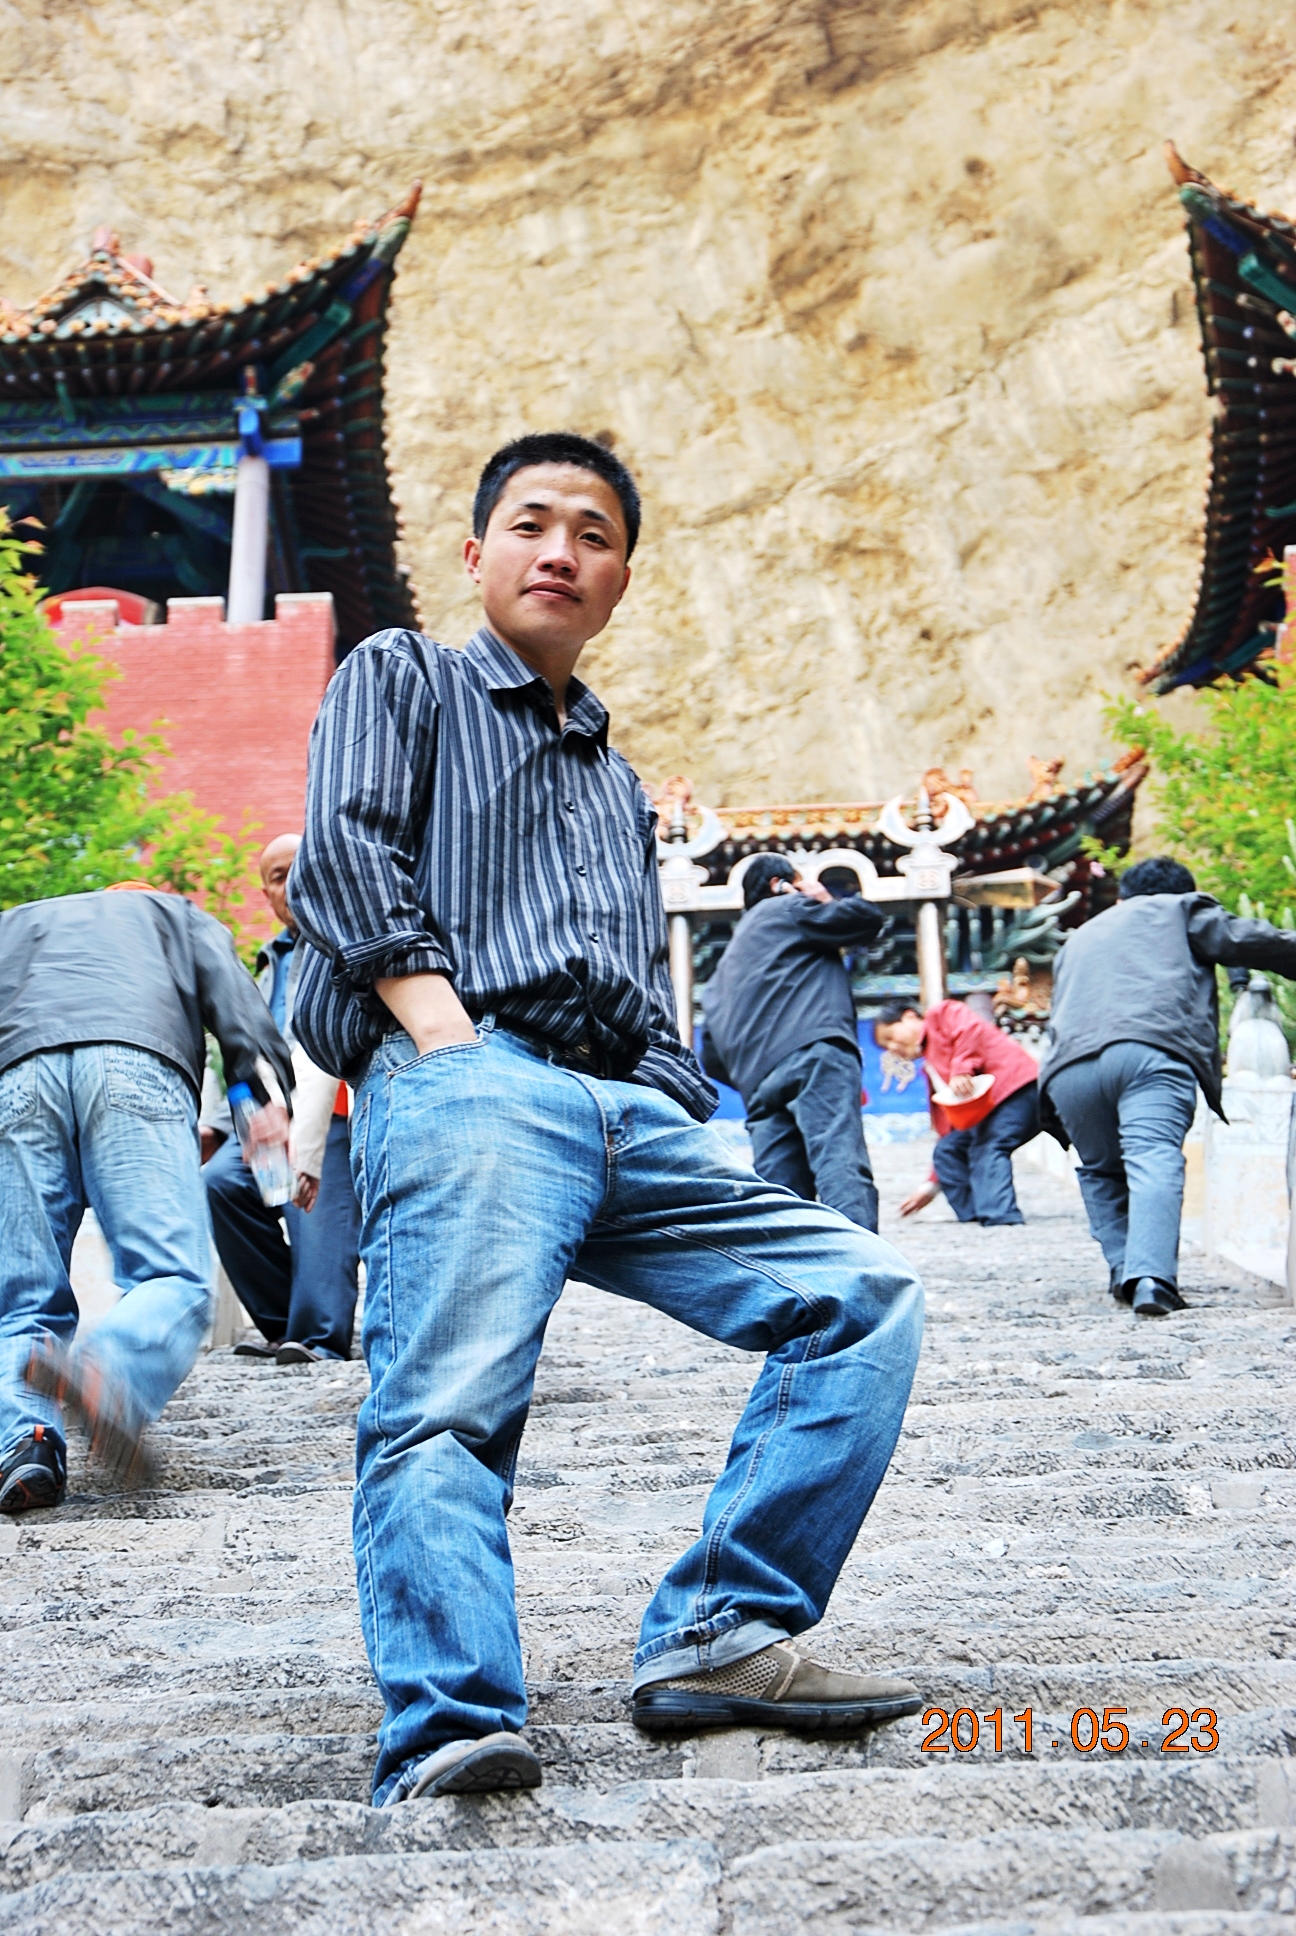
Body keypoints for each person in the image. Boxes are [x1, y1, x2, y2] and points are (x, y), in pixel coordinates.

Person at [288, 430, 926, 1807]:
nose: (561, 551)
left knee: (860, 1295)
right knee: (451, 1400)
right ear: (478, 553)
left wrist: (669, 1090)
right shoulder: (405, 676)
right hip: (470, 1070)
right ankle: (451, 1716)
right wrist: (445, 1039)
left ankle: (722, 1629)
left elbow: (630, 977)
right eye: (531, 523)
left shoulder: (617, 784)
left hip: (619, 1106)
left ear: (622, 577)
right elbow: (344, 854)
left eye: (594, 533)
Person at [0, 884, 294, 1513]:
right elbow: (235, 998)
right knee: (171, 1275)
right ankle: (107, 1373)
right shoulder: (172, 913)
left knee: (21, 1299)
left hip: (16, 1074)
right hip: (134, 1062)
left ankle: (26, 1444)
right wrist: (263, 1094)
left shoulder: (16, 923)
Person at [1038, 854, 1296, 1317]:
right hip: (1149, 1052)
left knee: (1100, 1170)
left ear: (1122, 899)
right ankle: (1152, 1279)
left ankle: (1124, 1269)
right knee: (1152, 1155)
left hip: (1068, 1069)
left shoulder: (1080, 937)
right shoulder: (1178, 910)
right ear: (1184, 892)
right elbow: (1249, 940)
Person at [204, 834, 361, 1365]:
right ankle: (282, 1325)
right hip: (266, 1112)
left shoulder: (343, 937)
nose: (291, 884)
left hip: (330, 1101)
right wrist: (221, 1124)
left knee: (306, 1188)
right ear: (267, 894)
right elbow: (245, 1050)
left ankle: (319, 1336)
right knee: (222, 1182)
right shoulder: (269, 961)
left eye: (298, 869)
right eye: (277, 877)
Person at [701, 854, 884, 1230]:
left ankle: (791, 1266)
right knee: (838, 1161)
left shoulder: (721, 972)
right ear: (779, 884)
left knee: (781, 1194)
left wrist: (756, 1072)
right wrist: (822, 897)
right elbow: (865, 919)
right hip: (814, 1054)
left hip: (759, 1086)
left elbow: (711, 1057)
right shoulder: (785, 908)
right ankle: (861, 1263)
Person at [873, 997, 1040, 1225]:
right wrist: (931, 1185)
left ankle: (1001, 1218)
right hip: (990, 1109)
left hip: (1017, 1089)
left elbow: (969, 1028)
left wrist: (962, 1069)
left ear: (910, 1016)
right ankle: (972, 1215)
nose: (893, 1048)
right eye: (886, 1047)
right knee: (948, 1148)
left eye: (890, 1037)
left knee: (988, 1145)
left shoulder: (941, 1014)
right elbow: (950, 1127)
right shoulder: (930, 1067)